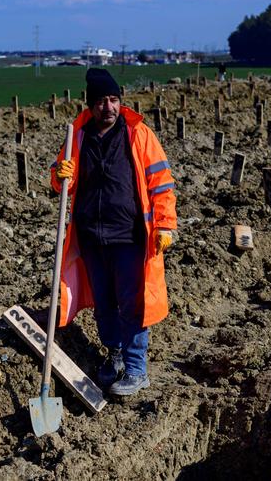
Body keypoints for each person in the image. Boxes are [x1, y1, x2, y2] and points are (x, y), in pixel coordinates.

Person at [50, 68, 177, 397]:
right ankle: (115, 356)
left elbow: (161, 183)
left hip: (130, 235)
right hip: (92, 235)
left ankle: (137, 368)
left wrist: (165, 225)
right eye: (102, 101)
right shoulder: (77, 137)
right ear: (90, 106)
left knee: (133, 303)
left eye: (114, 99)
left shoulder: (139, 135)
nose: (108, 107)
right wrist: (59, 173)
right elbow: (61, 180)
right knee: (105, 303)